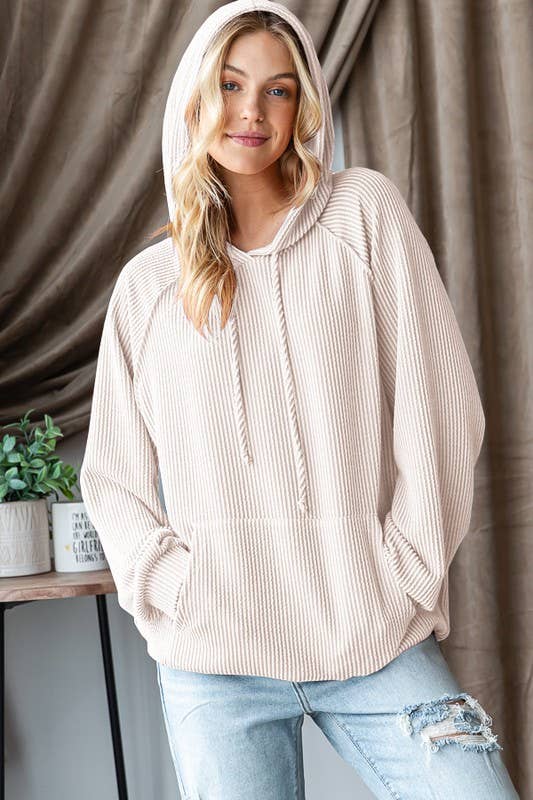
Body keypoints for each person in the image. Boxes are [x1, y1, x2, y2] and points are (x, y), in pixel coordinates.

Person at [79, 1, 520, 797]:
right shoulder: (148, 287)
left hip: (371, 635)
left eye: (277, 90)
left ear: (301, 105)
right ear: (194, 98)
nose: (252, 111)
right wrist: (174, 586)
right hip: (216, 659)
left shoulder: (363, 216)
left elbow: (442, 410)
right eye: (230, 84)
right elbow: (111, 478)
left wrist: (406, 570)